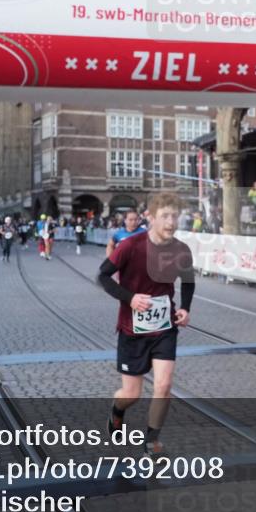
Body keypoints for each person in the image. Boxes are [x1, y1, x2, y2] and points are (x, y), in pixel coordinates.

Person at [97, 193, 194, 458]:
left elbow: (187, 281)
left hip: (164, 328)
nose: (171, 222)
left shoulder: (181, 250)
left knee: (163, 385)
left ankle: (151, 440)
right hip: (132, 330)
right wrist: (130, 298)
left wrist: (185, 308)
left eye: (175, 216)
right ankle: (117, 410)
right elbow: (103, 276)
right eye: (165, 216)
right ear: (149, 218)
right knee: (132, 393)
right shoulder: (131, 246)